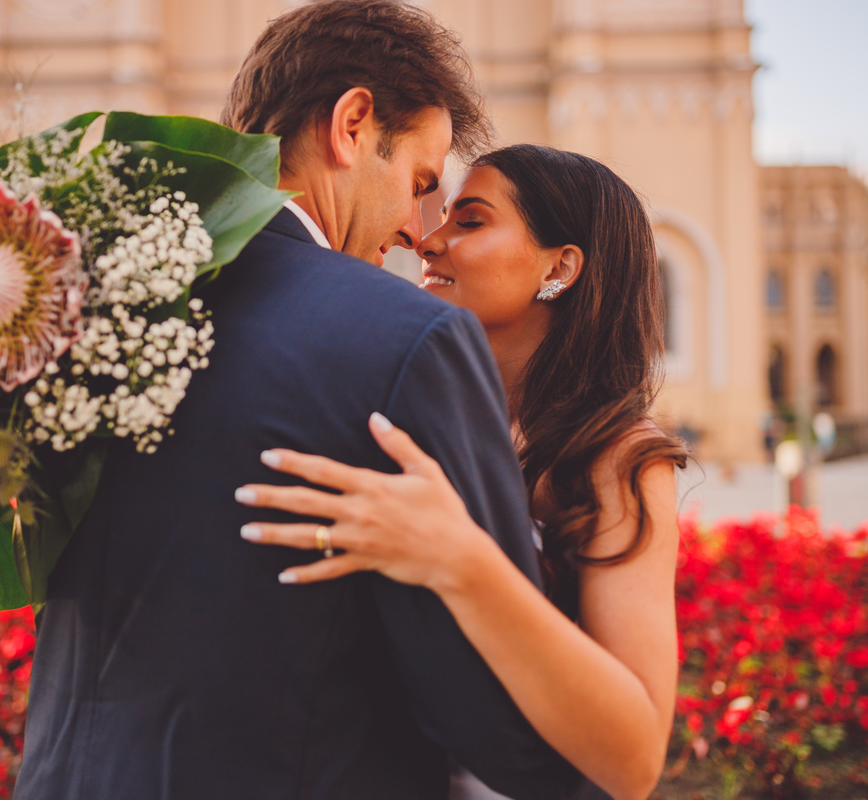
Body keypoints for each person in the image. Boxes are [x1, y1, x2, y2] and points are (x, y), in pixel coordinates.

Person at [14, 3, 579, 799]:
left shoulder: (79, 311)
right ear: (351, 125)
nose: (420, 230)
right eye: (420, 182)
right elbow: (503, 723)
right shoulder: (406, 340)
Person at [236, 145, 689, 800]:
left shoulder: (615, 459)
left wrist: (459, 559)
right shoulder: (405, 416)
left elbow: (635, 759)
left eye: (470, 221)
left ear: (559, 267)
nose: (427, 239)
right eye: (440, 214)